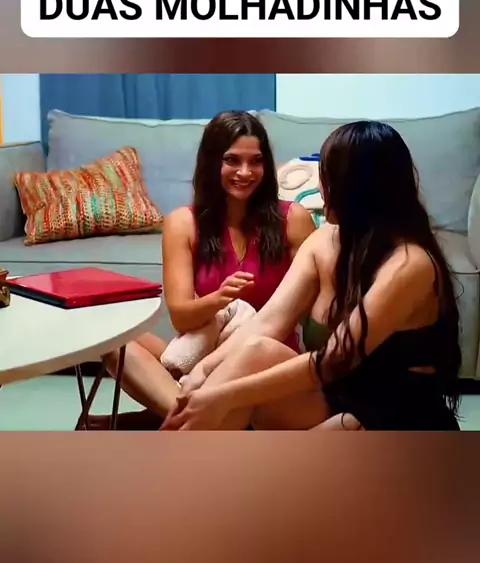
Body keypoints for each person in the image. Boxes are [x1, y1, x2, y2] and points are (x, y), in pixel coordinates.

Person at [162, 120, 462, 432]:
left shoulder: (410, 264)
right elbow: (267, 323)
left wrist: (223, 396)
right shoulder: (325, 240)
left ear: (361, 190)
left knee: (323, 432)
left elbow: (333, 360)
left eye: (329, 178)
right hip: (340, 395)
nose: (321, 189)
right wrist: (204, 372)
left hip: (397, 411)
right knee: (256, 352)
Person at [88, 110, 315, 430]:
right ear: (211, 162)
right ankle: (197, 416)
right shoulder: (183, 223)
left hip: (262, 363)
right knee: (114, 342)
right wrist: (219, 299)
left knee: (238, 362)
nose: (245, 172)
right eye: (232, 160)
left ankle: (174, 416)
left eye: (256, 161)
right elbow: (181, 317)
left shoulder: (294, 220)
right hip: (202, 357)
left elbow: (305, 310)